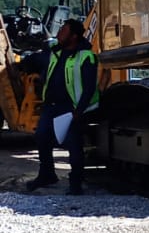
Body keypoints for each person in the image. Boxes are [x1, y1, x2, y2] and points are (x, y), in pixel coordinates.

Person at [25, 19, 100, 196]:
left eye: (63, 30)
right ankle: (47, 175)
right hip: (51, 106)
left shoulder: (86, 56)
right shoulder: (56, 53)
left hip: (70, 108)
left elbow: (89, 88)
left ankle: (76, 183)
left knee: (73, 145)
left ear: (73, 36)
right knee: (42, 138)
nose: (59, 33)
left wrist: (78, 111)